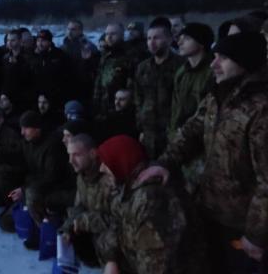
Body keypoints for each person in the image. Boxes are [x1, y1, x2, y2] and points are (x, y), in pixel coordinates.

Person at [140, 32, 268, 273]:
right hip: (209, 211)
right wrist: (165, 163)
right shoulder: (219, 95)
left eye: (223, 58)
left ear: (245, 62)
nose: (213, 63)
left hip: (242, 227)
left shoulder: (261, 108)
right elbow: (191, 131)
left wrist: (256, 234)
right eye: (215, 56)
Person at [97, 135, 197, 274]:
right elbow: (117, 224)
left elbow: (155, 266)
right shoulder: (129, 189)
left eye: (105, 162)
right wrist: (111, 259)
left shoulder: (150, 201)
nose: (101, 168)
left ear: (121, 161)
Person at [8, 111, 76, 250]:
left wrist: (24, 189)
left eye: (26, 128)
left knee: (32, 195)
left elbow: (52, 176)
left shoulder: (52, 145)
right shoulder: (27, 143)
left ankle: (43, 232)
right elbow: (18, 161)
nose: (22, 132)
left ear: (37, 128)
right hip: (38, 183)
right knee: (6, 222)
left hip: (57, 187)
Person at [61, 134, 113, 274]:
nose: (71, 160)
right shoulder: (82, 176)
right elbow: (79, 206)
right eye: (69, 155)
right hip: (94, 231)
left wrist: (84, 221)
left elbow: (118, 221)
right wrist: (67, 228)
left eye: (76, 155)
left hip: (113, 236)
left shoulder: (110, 177)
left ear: (92, 154)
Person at [134, 17, 184, 158]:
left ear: (169, 39)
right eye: (149, 38)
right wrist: (141, 128)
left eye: (157, 38)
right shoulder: (142, 68)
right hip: (149, 134)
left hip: (172, 133)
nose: (152, 42)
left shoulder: (181, 66)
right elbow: (138, 99)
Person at [169, 23, 215, 135]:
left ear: (201, 43)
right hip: (179, 137)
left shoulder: (213, 72)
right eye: (180, 38)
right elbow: (175, 108)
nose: (179, 42)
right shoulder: (182, 72)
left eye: (187, 39)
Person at [93, 23, 133, 118]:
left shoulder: (130, 55)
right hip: (102, 108)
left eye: (113, 34)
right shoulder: (105, 55)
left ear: (122, 35)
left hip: (120, 108)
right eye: (107, 34)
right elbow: (99, 80)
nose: (109, 37)